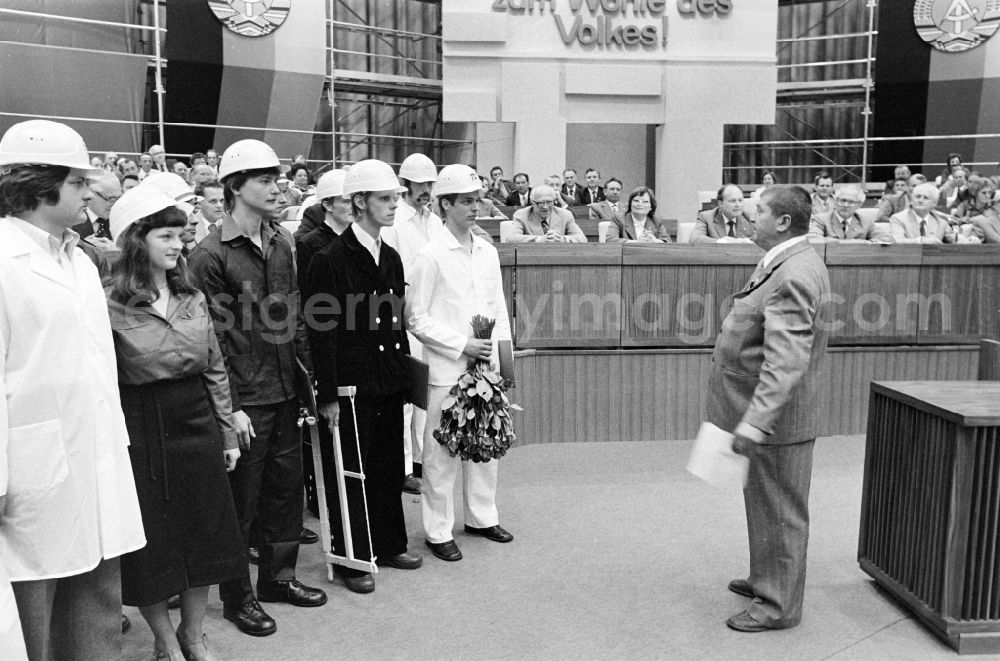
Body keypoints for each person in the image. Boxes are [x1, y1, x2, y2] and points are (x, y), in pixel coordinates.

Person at [0, 119, 146, 660]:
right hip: (30, 481)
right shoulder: (3, 261)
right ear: (40, 184)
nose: (90, 192)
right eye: (78, 181)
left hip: (95, 460)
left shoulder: (80, 260)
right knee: (31, 619)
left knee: (98, 609)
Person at [188, 139, 327, 638]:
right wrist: (233, 409)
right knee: (240, 504)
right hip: (245, 401)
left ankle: (277, 579)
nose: (276, 187)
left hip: (285, 389)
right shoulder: (208, 255)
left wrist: (308, 381)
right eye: (264, 180)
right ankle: (237, 597)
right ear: (233, 187)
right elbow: (211, 341)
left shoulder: (282, 242)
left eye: (276, 179)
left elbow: (295, 318)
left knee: (284, 494)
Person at [105, 187, 246, 661]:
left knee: (206, 534)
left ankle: (194, 634)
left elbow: (215, 368)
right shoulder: (108, 305)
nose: (177, 245)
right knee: (154, 546)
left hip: (195, 421)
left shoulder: (192, 295)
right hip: (141, 427)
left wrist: (226, 432)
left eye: (180, 236)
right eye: (165, 236)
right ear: (135, 241)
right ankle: (164, 641)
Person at [707, 184, 830, 632]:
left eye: (757, 210)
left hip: (778, 420)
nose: (747, 214)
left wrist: (756, 423)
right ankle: (766, 578)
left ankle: (776, 606)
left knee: (780, 511)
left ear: (782, 222)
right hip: (766, 412)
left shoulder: (794, 272)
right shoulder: (784, 260)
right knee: (764, 504)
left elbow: (786, 360)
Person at [307, 159, 422, 595]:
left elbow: (393, 324)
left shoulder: (390, 256)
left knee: (389, 465)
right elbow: (323, 334)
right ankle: (354, 552)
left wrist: (405, 377)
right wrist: (330, 393)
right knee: (349, 467)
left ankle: (389, 542)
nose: (394, 205)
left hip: (387, 380)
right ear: (359, 202)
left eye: (396, 197)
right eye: (385, 198)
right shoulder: (329, 260)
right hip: (351, 384)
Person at [405, 164, 515, 562]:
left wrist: (503, 360)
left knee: (486, 443)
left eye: (476, 200)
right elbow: (415, 317)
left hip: (486, 368)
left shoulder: (486, 251)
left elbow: (498, 308)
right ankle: (438, 530)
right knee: (440, 452)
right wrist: (461, 345)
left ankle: (482, 517)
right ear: (444, 204)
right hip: (447, 368)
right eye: (466, 201)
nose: (475, 207)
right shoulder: (430, 255)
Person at [383, 153, 444, 494]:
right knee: (407, 397)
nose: (426, 190)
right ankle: (404, 466)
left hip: (431, 316)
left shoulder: (433, 220)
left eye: (430, 184)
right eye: (421, 184)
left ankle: (421, 459)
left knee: (427, 390)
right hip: (404, 315)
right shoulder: (394, 222)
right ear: (405, 184)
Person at [809, 184, 892, 242]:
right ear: (835, 201)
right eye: (843, 200)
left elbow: (886, 238)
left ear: (859, 205)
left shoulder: (866, 221)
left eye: (851, 202)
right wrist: (858, 242)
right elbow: (814, 240)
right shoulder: (819, 219)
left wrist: (867, 243)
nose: (845, 205)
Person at [506, 184, 587, 242]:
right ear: (532, 203)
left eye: (549, 202)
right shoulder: (522, 215)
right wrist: (539, 239)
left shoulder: (565, 215)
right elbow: (511, 239)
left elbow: (582, 239)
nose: (545, 206)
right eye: (541, 203)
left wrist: (561, 239)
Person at [889, 182, 956, 244]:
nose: (920, 200)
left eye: (925, 198)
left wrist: (962, 239)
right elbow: (897, 241)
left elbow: (956, 240)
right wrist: (921, 240)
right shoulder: (898, 218)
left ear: (934, 203)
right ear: (911, 200)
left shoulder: (941, 222)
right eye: (918, 197)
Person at [605, 186, 670, 242]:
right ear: (630, 204)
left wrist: (655, 241)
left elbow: (667, 241)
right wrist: (637, 242)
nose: (640, 204)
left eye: (645, 202)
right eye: (636, 201)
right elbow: (610, 240)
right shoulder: (619, 219)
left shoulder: (656, 221)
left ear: (651, 207)